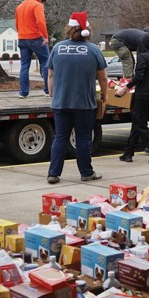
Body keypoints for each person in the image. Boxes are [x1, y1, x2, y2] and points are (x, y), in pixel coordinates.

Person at [46, 12, 107, 183]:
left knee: (60, 137)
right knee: (83, 138)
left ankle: (53, 173)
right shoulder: (93, 50)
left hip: (61, 102)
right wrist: (105, 96)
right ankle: (86, 172)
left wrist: (52, 94)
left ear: (69, 29)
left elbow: (50, 75)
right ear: (87, 30)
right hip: (84, 104)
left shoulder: (58, 48)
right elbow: (102, 77)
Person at [118, 35, 149, 164]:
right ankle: (128, 153)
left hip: (141, 95)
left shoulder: (142, 57)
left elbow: (139, 76)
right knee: (137, 123)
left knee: (139, 125)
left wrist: (125, 88)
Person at [14, 0, 49, 97]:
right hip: (35, 38)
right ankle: (48, 90)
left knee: (24, 65)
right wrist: (45, 36)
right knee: (45, 62)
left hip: (22, 38)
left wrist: (22, 34)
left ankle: (23, 92)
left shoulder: (19, 7)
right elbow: (40, 21)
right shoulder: (37, 5)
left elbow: (16, 24)